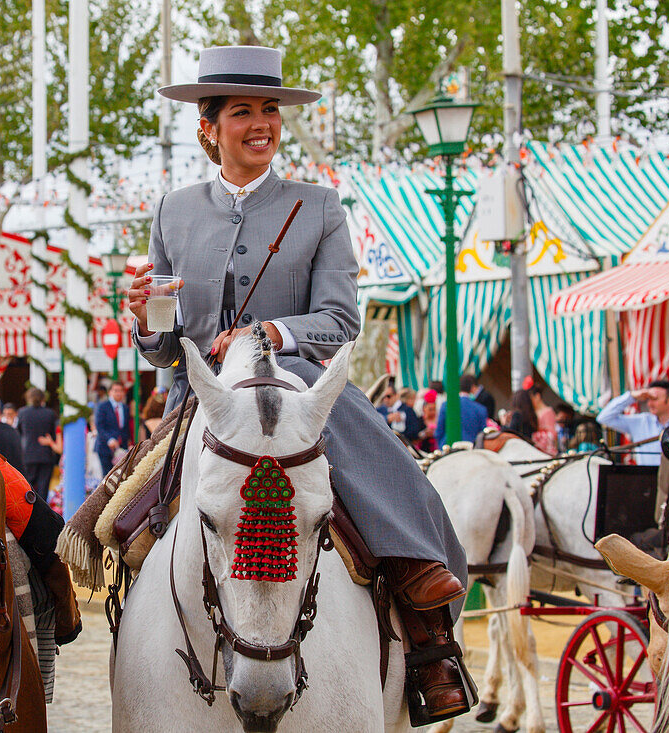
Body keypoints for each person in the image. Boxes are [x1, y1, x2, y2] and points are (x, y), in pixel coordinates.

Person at [128, 45, 471, 722]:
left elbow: (341, 319)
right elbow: (167, 350)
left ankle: (429, 641)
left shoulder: (318, 207)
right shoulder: (173, 210)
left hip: (304, 390)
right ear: (209, 126)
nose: (263, 123)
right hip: (203, 400)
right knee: (110, 527)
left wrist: (268, 336)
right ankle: (129, 639)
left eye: (270, 111)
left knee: (402, 490)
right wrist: (147, 322)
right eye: (245, 112)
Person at [596, 380, 669, 467]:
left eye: (654, 399)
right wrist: (631, 396)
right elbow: (604, 418)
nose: (649, 404)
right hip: (646, 476)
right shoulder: (641, 421)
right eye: (648, 399)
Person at [18, 387, 60, 502]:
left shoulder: (22, 412)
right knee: (43, 488)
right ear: (43, 398)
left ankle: (30, 511)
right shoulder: (50, 413)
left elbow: (19, 432)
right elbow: (53, 435)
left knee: (28, 487)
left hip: (28, 454)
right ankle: (43, 513)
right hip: (46, 455)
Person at [435, 374, 489, 447]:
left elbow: (439, 432)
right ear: (471, 388)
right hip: (472, 449)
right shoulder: (480, 409)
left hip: (449, 448)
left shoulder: (446, 405)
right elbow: (482, 434)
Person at [93, 381, 132, 475]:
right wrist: (109, 439)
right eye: (116, 390)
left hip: (121, 449)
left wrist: (129, 443)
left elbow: (125, 429)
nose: (118, 393)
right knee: (107, 476)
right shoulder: (102, 406)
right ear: (110, 392)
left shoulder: (125, 408)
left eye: (121, 391)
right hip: (105, 448)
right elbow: (99, 426)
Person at [526, 379, 559, 455]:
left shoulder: (548, 411)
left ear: (537, 396)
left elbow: (552, 433)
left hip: (545, 448)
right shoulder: (534, 412)